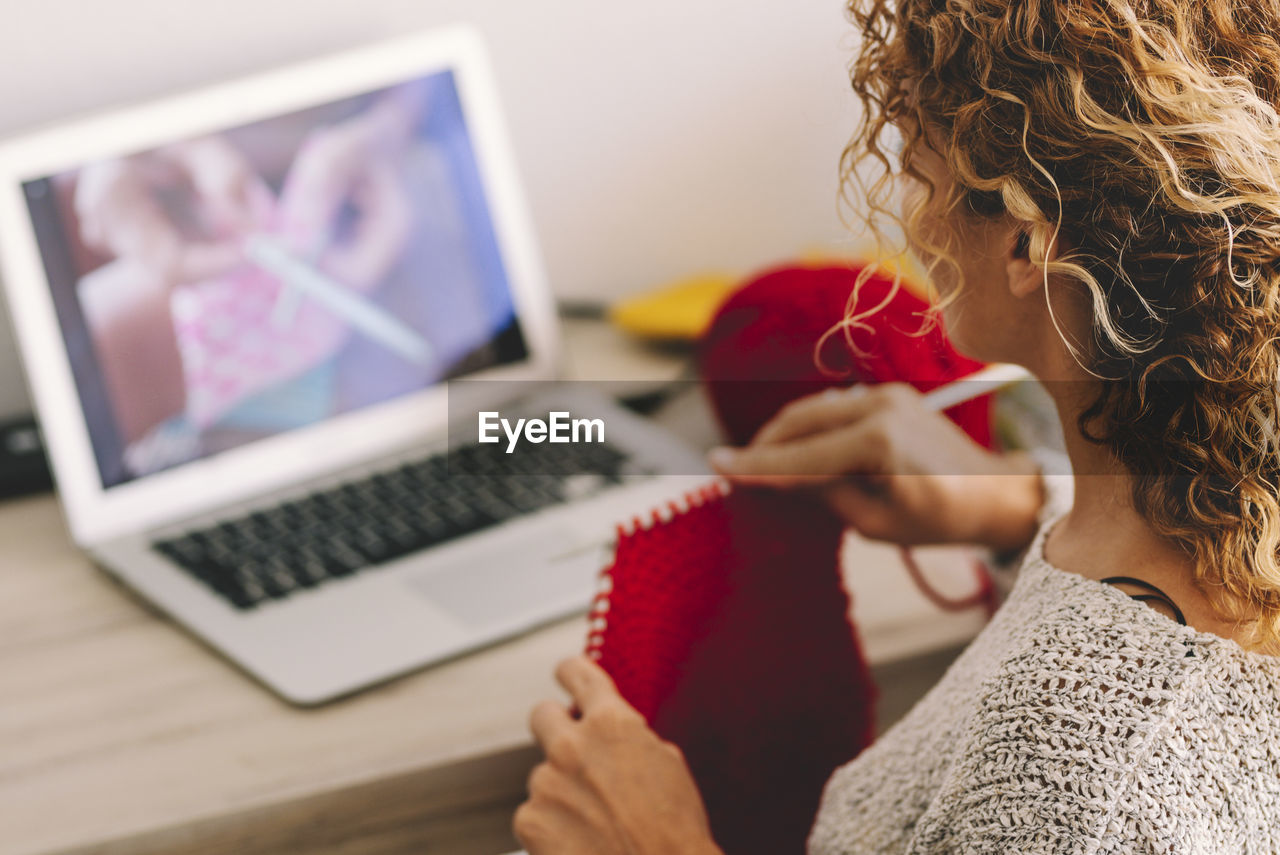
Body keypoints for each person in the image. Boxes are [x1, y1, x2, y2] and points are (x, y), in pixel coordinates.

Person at [514, 0, 1280, 851]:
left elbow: (1113, 760)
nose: (910, 216)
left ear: (1027, 244)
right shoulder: (1221, 515)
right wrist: (1014, 512)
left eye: (918, 170)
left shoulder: (1073, 785)